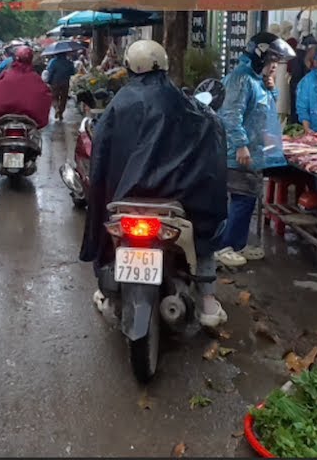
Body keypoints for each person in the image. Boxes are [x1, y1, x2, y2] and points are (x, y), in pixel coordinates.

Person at [80, 40, 230, 328]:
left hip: (126, 198)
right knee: (204, 228)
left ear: (128, 67)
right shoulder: (182, 103)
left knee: (104, 221)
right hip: (175, 197)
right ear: (163, 63)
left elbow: (101, 157)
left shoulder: (119, 103)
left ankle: (104, 289)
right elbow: (211, 133)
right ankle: (208, 303)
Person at [217, 32, 296, 269]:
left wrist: (270, 89)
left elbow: (263, 111)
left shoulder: (256, 80)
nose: (274, 67)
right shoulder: (241, 79)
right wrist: (240, 144)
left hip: (254, 151)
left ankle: (238, 244)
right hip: (239, 152)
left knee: (249, 197)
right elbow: (230, 115)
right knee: (241, 199)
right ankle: (224, 247)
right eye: (272, 61)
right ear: (259, 57)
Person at [0, 46, 51, 146]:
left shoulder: (6, 75)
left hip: (9, 122)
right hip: (24, 124)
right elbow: (45, 97)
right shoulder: (36, 79)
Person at [44, 49, 77, 121]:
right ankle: (61, 113)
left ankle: (56, 109)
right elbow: (73, 72)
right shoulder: (69, 62)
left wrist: (48, 81)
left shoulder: (53, 62)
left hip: (55, 82)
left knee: (54, 97)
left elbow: (50, 72)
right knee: (64, 98)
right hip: (65, 82)